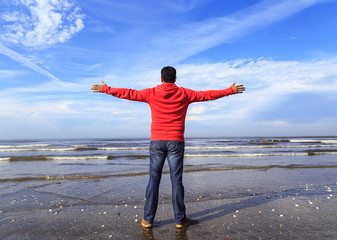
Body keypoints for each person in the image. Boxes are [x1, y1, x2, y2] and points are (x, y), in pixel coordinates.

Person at [91, 66, 245, 229]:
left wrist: (106, 89)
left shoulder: (151, 93)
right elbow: (206, 95)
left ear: (161, 78)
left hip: (156, 141)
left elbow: (130, 93)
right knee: (176, 180)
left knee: (153, 180)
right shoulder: (185, 93)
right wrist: (230, 90)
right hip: (176, 141)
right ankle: (180, 220)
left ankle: (148, 220)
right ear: (175, 79)